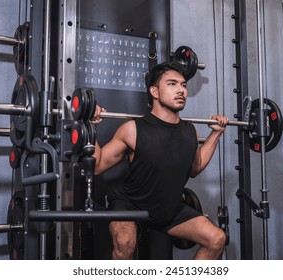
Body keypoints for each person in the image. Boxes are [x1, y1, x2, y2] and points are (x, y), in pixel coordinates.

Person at [91, 61, 228, 260]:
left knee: (216, 239)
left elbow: (195, 167)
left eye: (183, 85)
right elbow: (97, 166)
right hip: (130, 205)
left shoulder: (189, 131)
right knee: (125, 243)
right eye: (172, 84)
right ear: (154, 91)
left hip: (168, 209)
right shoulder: (133, 129)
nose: (181, 90)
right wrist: (91, 127)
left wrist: (215, 135)